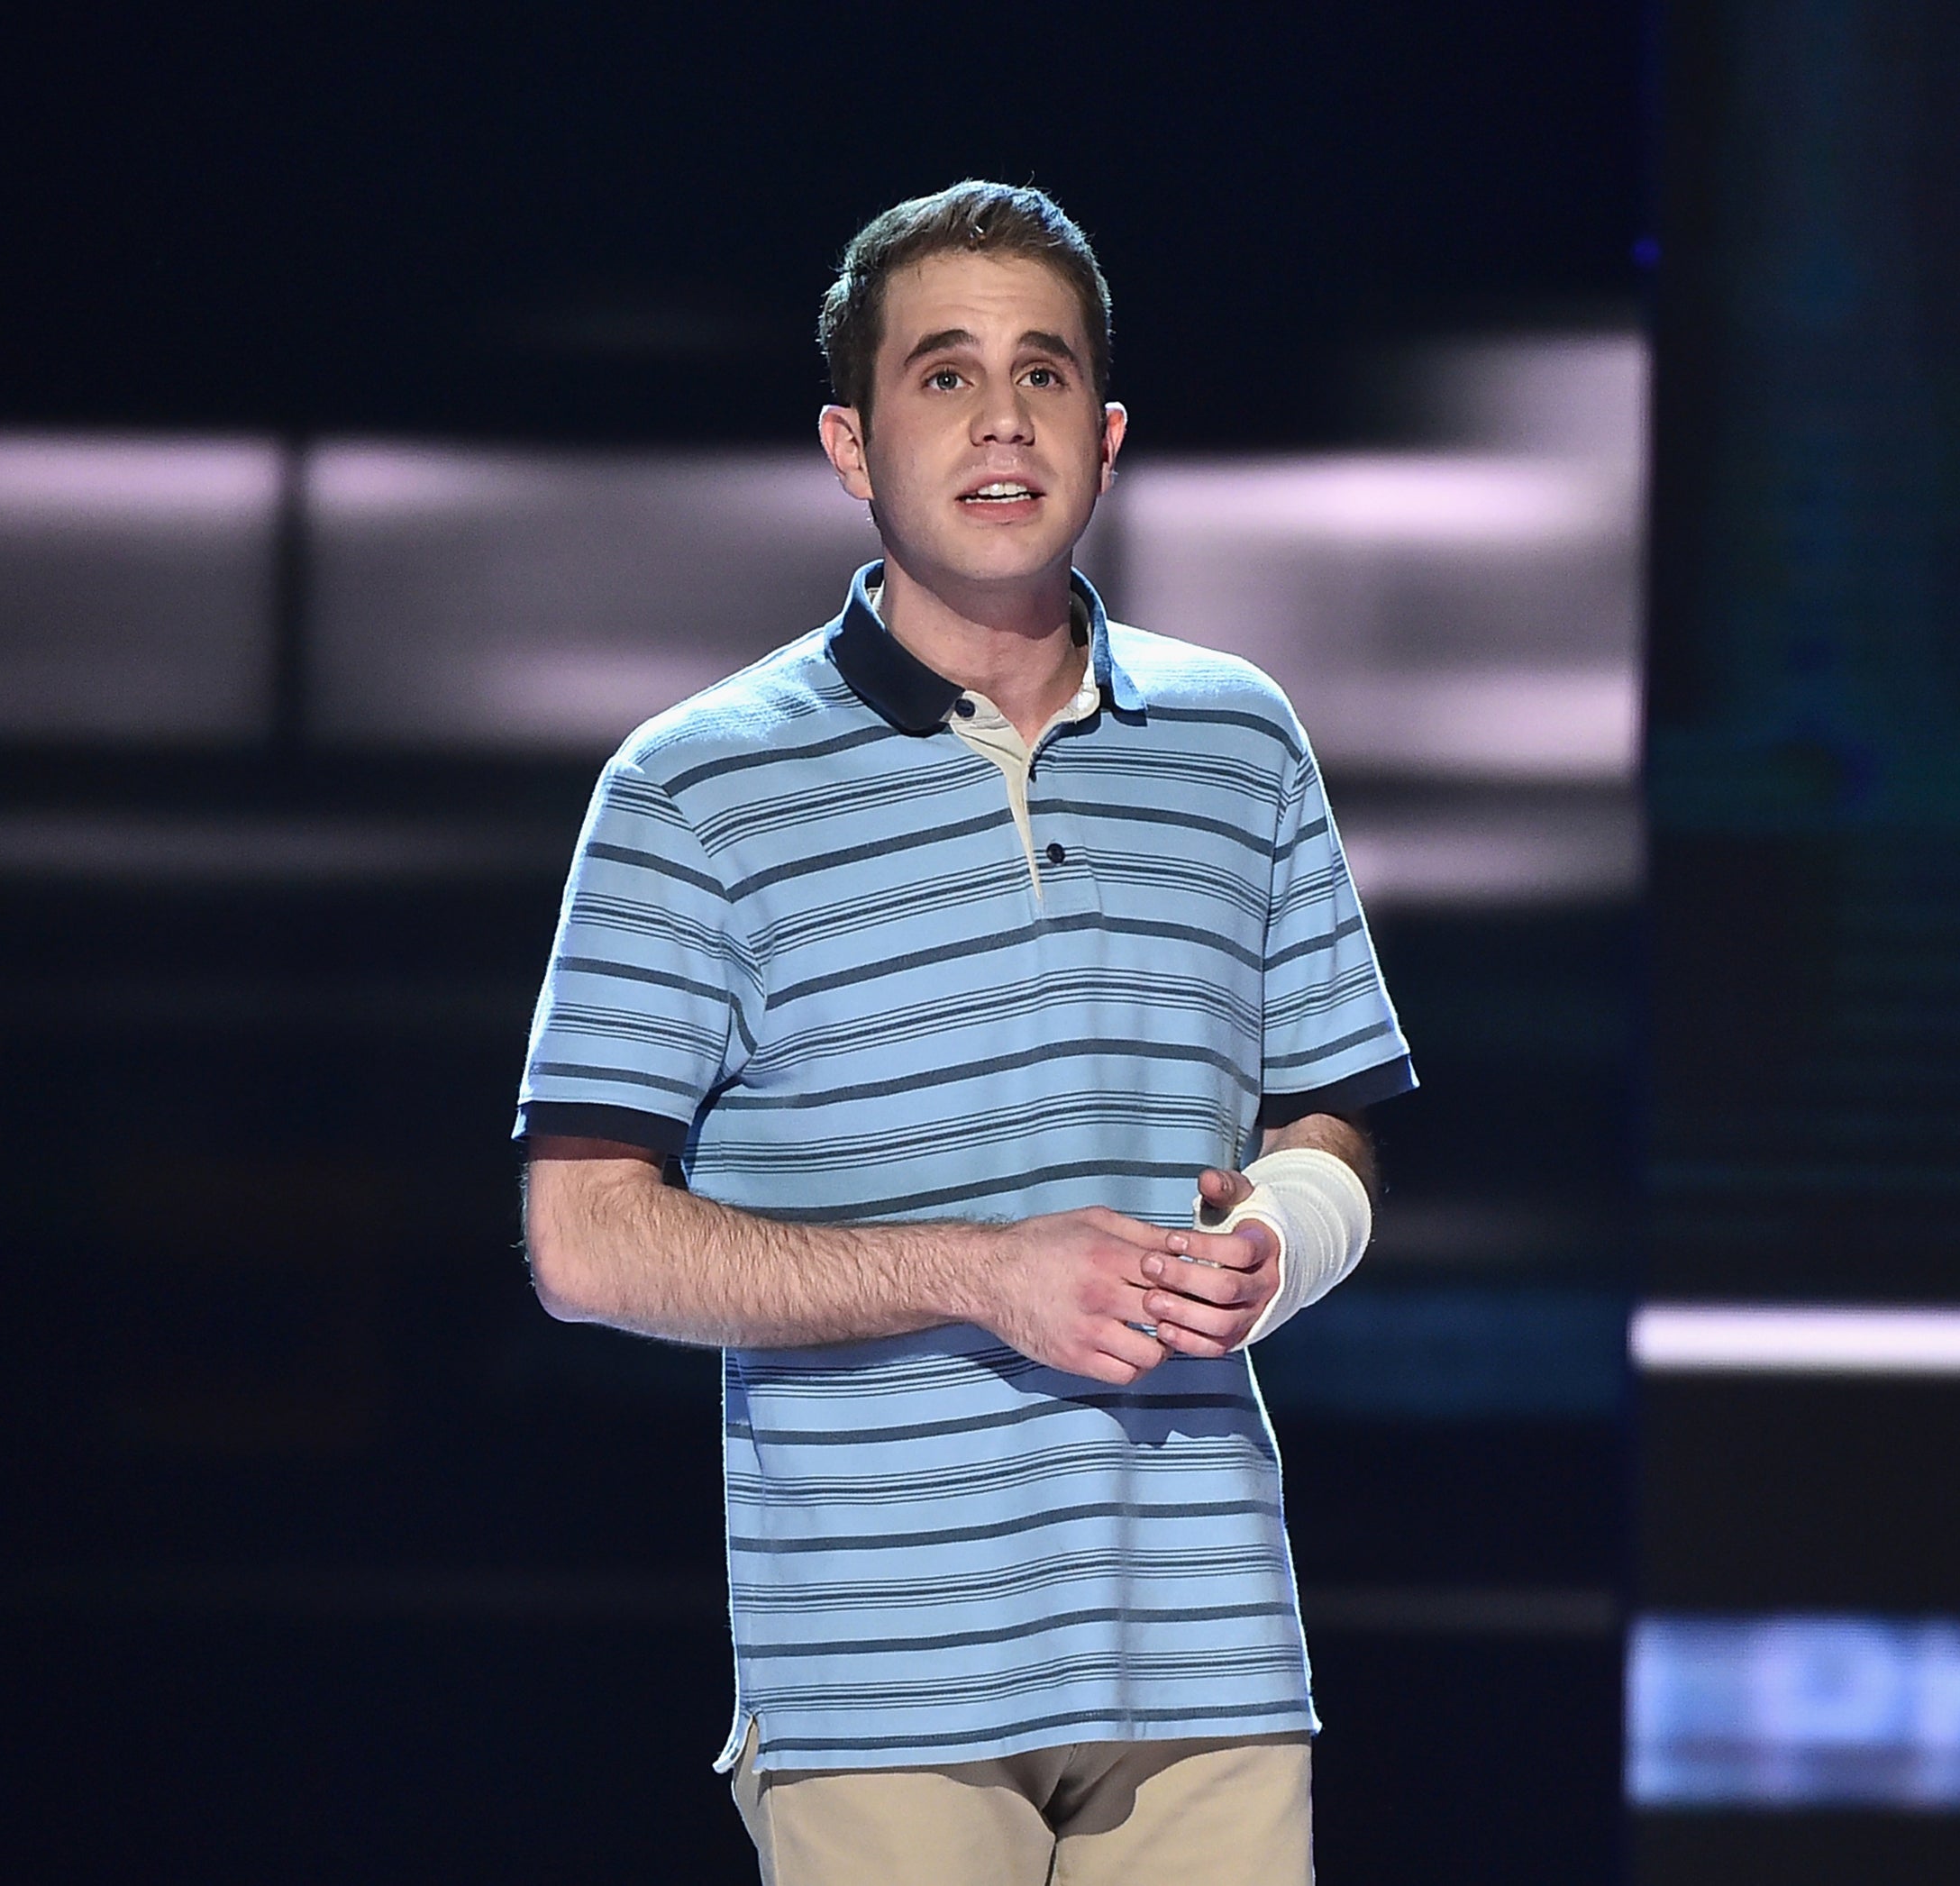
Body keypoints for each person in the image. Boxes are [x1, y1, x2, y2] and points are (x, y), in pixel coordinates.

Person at [515, 179, 1413, 1886]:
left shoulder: (1239, 739)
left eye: (1046, 373)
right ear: (850, 444)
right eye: (944, 375)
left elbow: (1333, 1117)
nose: (1003, 418)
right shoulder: (692, 784)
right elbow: (582, 1238)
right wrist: (986, 1273)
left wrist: (1279, 1242)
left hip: (1212, 1649)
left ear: (1110, 429)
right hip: (879, 1683)